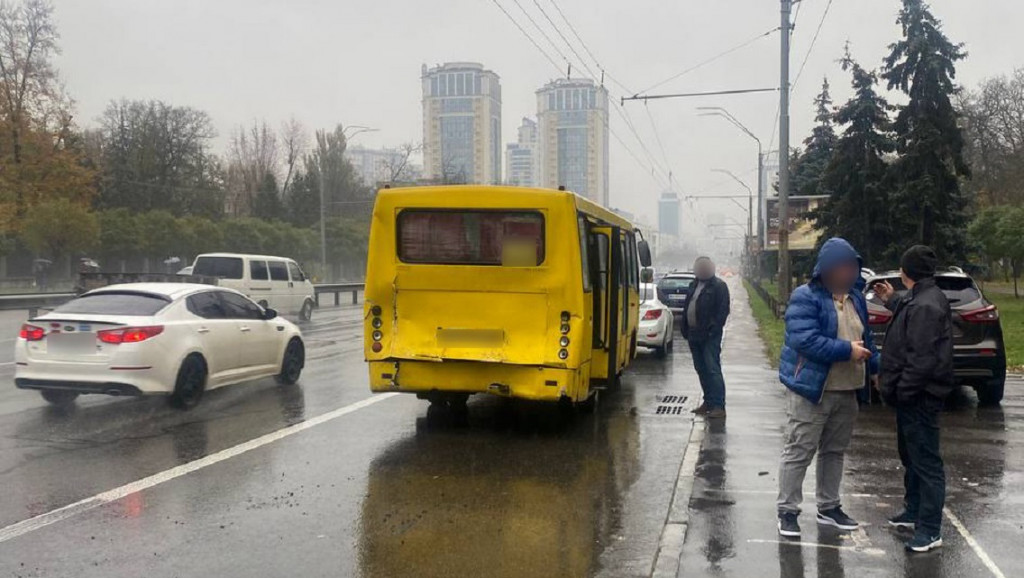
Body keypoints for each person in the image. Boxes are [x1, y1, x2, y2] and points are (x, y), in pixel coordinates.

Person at [776, 238, 879, 538]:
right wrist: (847, 351)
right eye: (843, 266)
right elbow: (804, 340)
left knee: (834, 451)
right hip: (812, 389)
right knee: (800, 450)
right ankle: (788, 511)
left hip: (848, 389)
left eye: (852, 266)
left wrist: (875, 369)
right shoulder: (805, 297)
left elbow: (866, 339)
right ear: (827, 269)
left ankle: (829, 507)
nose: (849, 272)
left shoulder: (856, 298)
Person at [874, 245, 954, 553]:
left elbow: (921, 358)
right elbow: (908, 310)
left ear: (905, 270)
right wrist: (891, 299)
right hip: (911, 396)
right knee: (911, 457)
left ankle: (930, 529)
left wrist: (901, 390)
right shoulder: (920, 298)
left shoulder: (925, 305)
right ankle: (914, 510)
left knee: (926, 462)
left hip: (919, 397)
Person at [680, 256, 730, 418]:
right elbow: (687, 307)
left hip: (709, 337)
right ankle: (708, 402)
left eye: (705, 267)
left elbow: (723, 312)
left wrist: (713, 331)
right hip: (693, 335)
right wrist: (685, 329)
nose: (702, 270)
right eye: (699, 267)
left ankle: (718, 406)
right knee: (701, 369)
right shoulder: (693, 285)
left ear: (711, 268)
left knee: (712, 370)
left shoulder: (719, 286)